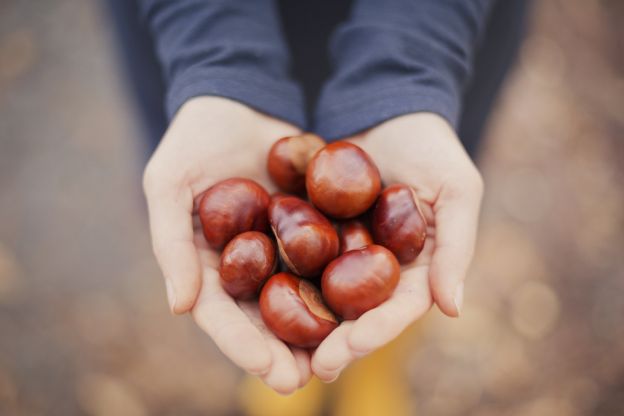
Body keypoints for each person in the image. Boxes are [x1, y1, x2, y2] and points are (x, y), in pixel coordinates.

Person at [106, 0, 529, 412]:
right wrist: (221, 71)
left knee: (417, 264)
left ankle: (374, 366)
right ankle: (288, 383)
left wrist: (406, 80)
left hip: (427, 46)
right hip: (202, 42)